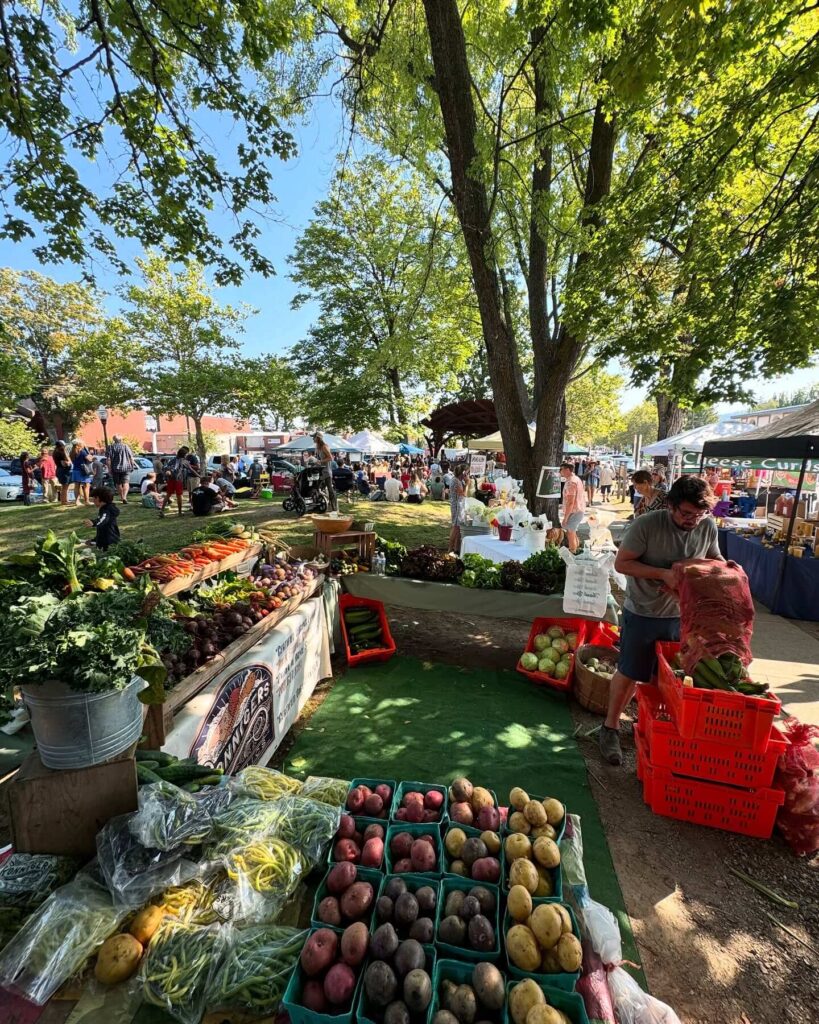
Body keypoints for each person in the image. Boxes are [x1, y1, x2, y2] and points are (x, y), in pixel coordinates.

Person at [599, 475, 722, 766]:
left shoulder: (706, 525)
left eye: (700, 514)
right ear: (671, 505)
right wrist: (664, 574)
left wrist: (710, 570)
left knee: (668, 678)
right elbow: (622, 563)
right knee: (630, 671)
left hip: (681, 616)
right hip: (643, 611)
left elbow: (714, 559)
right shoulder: (647, 525)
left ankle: (654, 728)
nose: (693, 520)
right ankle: (610, 728)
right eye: (687, 513)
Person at [559, 462, 586, 553]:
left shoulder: (571, 482)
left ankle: (573, 553)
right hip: (578, 510)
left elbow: (571, 502)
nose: (560, 472)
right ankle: (577, 551)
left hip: (574, 511)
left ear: (567, 470)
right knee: (572, 532)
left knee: (570, 533)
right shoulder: (576, 479)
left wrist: (565, 518)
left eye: (561, 469)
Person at [159, 446, 194, 516]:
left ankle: (162, 510)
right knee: (179, 495)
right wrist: (199, 476)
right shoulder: (184, 461)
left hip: (171, 479)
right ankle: (180, 512)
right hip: (178, 480)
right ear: (184, 454)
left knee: (168, 494)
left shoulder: (172, 459)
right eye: (186, 454)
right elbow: (191, 469)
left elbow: (166, 468)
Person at [106, 435, 136, 503]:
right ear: (121, 440)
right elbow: (131, 457)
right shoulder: (125, 446)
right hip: (126, 467)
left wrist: (109, 469)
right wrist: (132, 465)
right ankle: (125, 497)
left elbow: (108, 459)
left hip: (115, 468)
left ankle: (122, 497)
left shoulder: (110, 447)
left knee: (118, 483)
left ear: (114, 440)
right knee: (126, 482)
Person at [313, 432, 338, 511]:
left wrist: (320, 461)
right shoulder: (318, 447)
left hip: (326, 472)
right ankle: (320, 505)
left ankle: (334, 507)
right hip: (320, 471)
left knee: (330, 489)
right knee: (315, 488)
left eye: (313, 437)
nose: (312, 439)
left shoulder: (324, 446)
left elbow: (330, 458)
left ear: (318, 438)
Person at [448, 464, 466, 552]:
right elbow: (462, 494)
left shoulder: (456, 480)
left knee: (458, 527)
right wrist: (468, 484)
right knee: (455, 527)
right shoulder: (456, 481)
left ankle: (456, 548)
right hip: (457, 506)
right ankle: (450, 548)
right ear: (463, 473)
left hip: (457, 505)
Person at [69, 441, 93, 505]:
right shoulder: (83, 452)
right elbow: (90, 459)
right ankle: (87, 501)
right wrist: (89, 453)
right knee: (86, 486)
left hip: (75, 470)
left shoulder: (72, 452)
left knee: (76, 486)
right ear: (79, 445)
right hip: (83, 470)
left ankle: (77, 501)